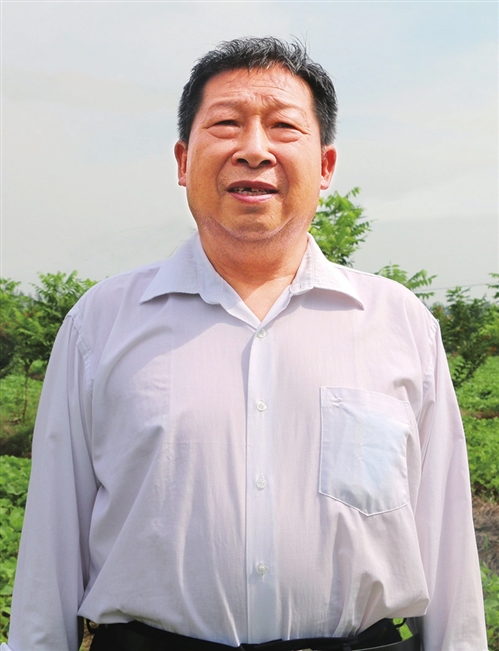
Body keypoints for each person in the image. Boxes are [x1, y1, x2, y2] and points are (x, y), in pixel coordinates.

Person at [3, 37, 487, 651]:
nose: (254, 149)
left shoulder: (399, 324)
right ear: (183, 161)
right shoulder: (99, 325)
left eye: (283, 126)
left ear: (325, 166)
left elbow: (446, 542)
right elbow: (50, 548)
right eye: (226, 124)